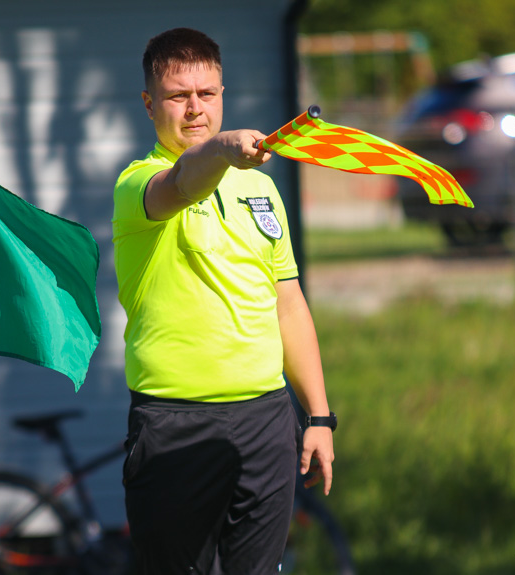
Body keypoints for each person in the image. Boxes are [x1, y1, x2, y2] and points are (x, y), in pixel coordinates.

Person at [111, 28, 336, 574]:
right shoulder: (138, 184)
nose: (194, 109)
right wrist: (223, 148)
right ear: (149, 104)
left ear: (222, 94)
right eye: (177, 96)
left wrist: (321, 417)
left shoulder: (261, 189)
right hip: (174, 427)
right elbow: (183, 184)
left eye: (207, 94)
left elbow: (289, 306)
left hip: (265, 420)